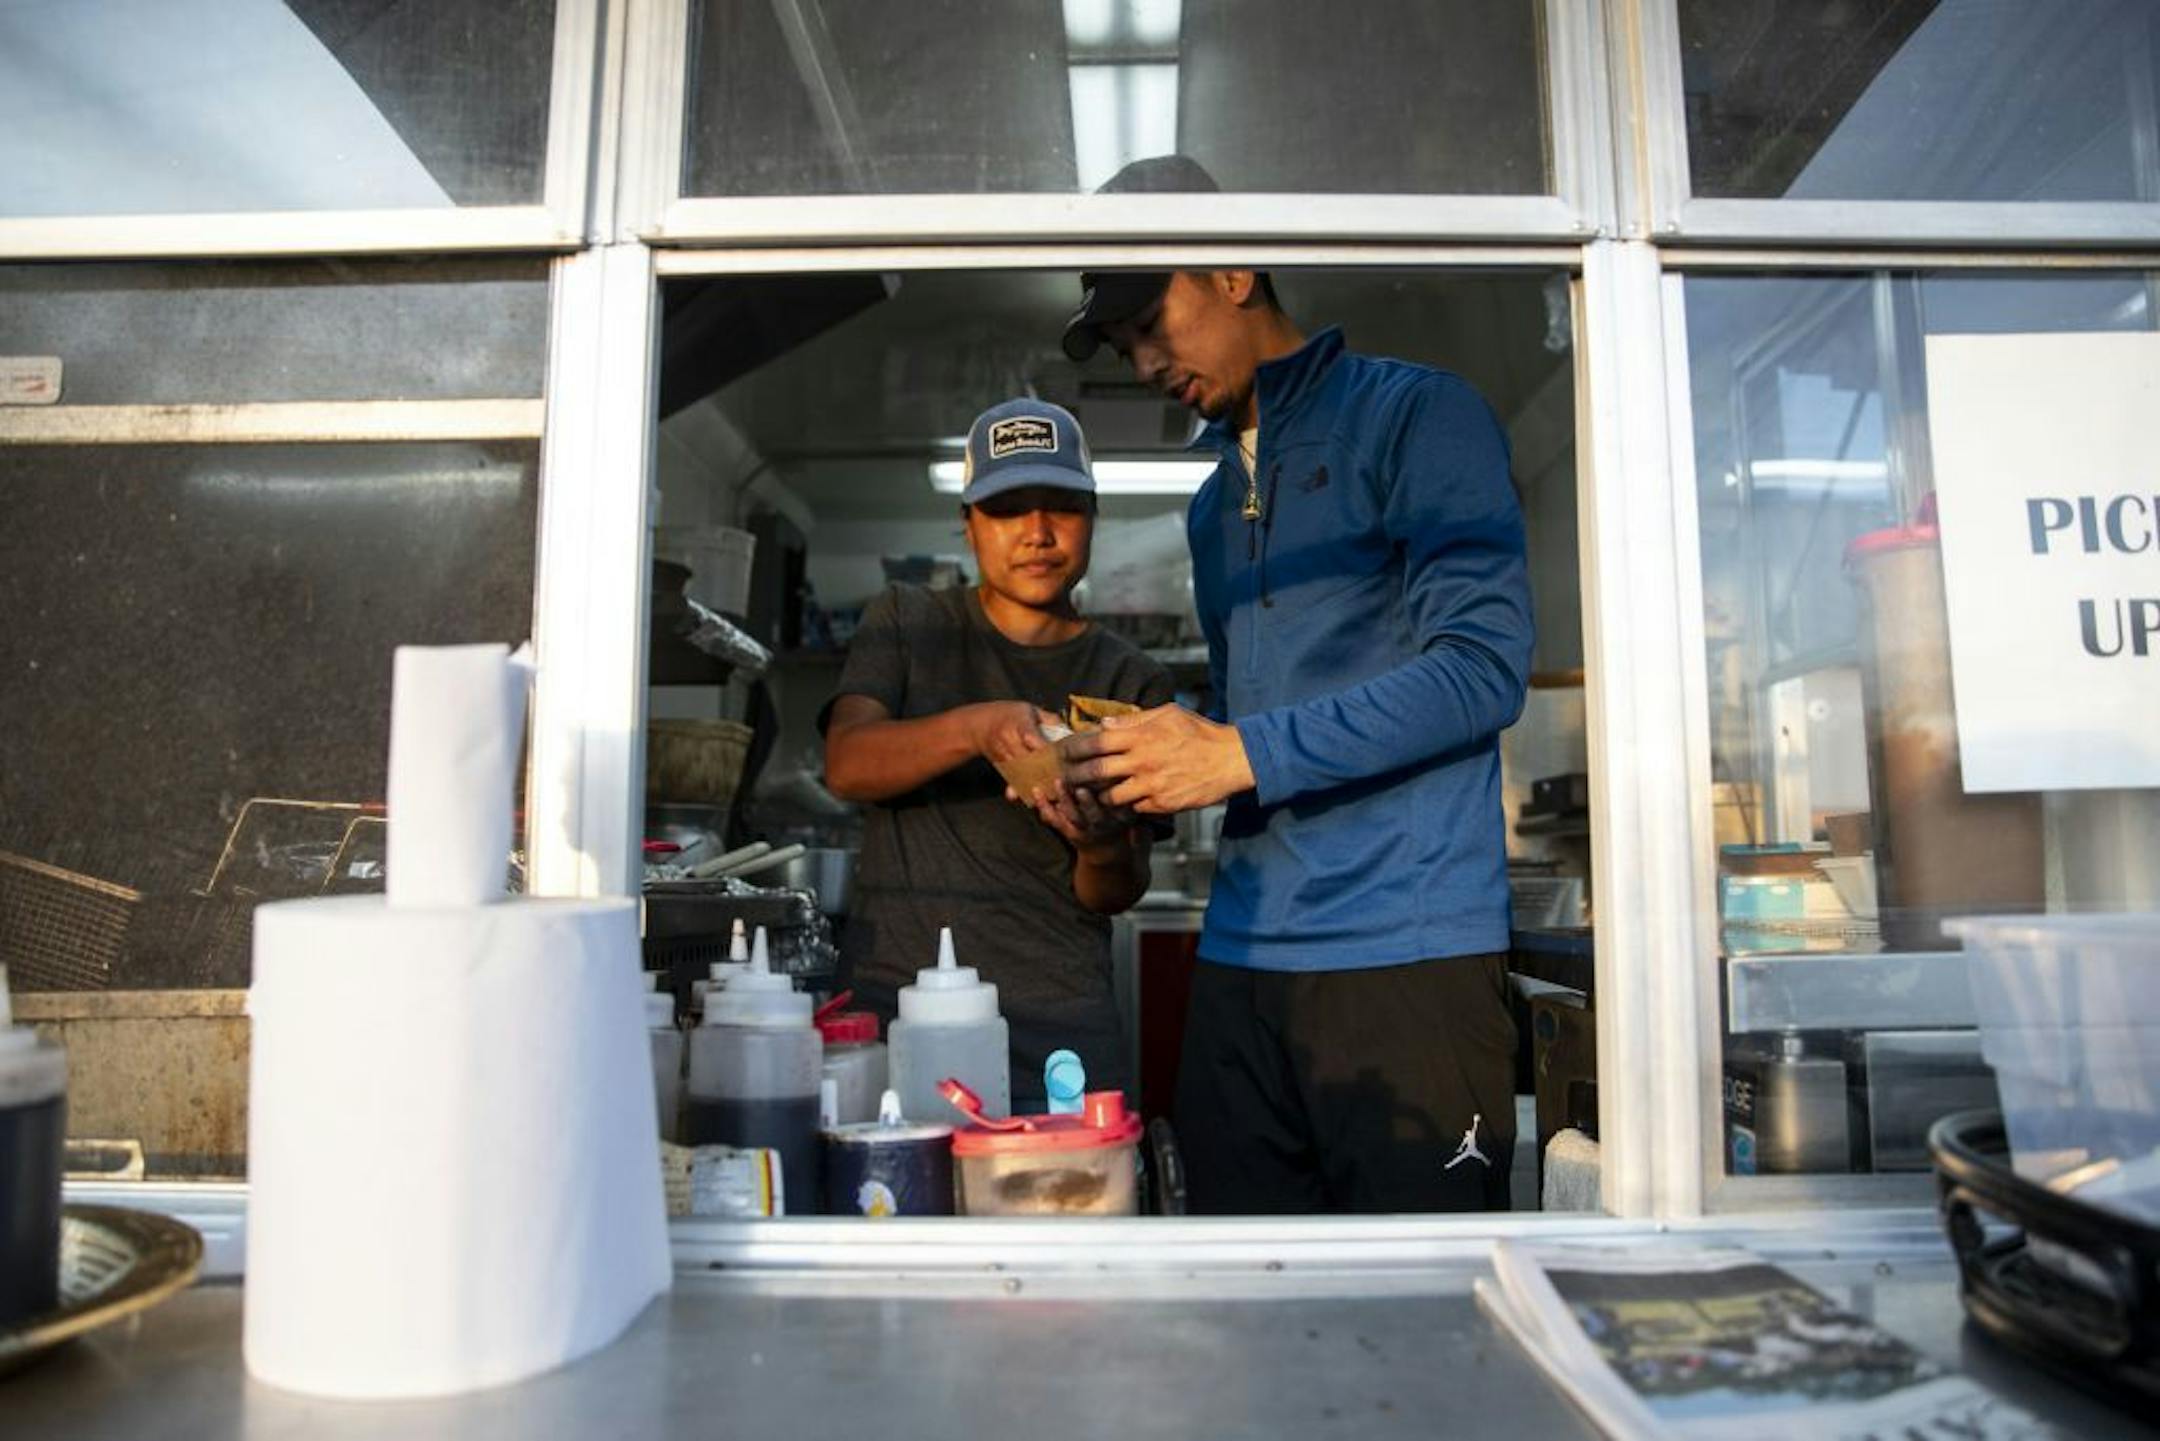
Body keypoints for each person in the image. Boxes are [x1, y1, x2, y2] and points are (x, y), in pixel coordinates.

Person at [1059, 157, 1534, 1213]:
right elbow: (1248, 723)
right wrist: (1142, 769)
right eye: (1125, 345)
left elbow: (1483, 667)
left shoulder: (1419, 416)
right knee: (1238, 1290)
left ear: (1234, 269)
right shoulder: (1209, 508)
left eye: (1152, 323)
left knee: (1418, 1293)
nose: (1146, 363)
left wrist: (1234, 751)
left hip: (1405, 955)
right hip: (1241, 961)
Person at [821, 397, 1173, 1111]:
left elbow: (1116, 888)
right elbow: (848, 764)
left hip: (1058, 1023)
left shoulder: (1130, 679)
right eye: (1008, 508)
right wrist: (978, 728)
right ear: (969, 522)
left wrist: (1099, 845)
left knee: (1069, 1181)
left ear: (1093, 515)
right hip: (900, 1008)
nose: (1037, 533)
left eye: (1062, 506)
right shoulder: (909, 620)